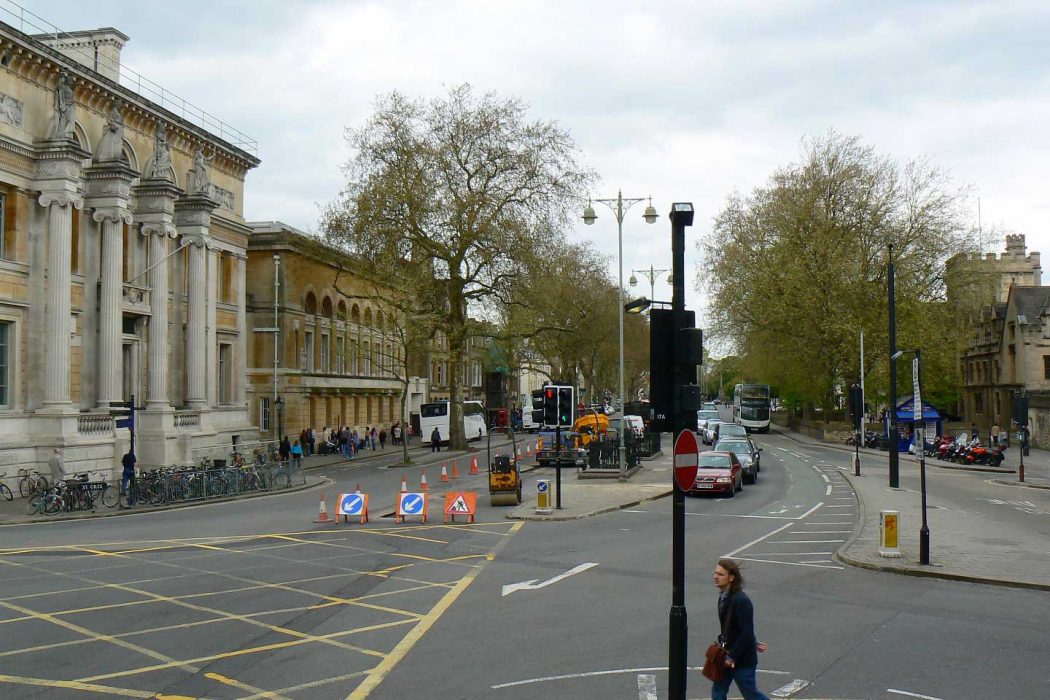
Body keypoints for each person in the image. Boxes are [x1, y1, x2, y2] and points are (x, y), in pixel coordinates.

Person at [711, 558, 770, 700]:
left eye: (720, 574)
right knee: (718, 693)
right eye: (716, 573)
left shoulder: (741, 601)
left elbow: (747, 631)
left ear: (731, 578)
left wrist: (732, 657)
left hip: (742, 659)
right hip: (726, 655)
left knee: (751, 695)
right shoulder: (723, 597)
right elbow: (735, 628)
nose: (716, 577)